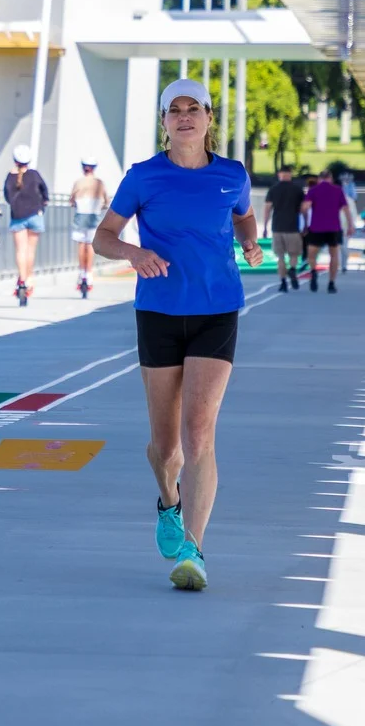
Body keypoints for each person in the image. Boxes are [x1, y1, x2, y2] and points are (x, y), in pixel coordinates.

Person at [92, 78, 261, 591]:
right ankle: (168, 500)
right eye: (175, 110)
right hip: (161, 313)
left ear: (209, 118)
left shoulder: (232, 175)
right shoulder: (143, 177)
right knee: (166, 449)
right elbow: (103, 237)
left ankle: (195, 549)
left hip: (217, 310)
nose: (185, 117)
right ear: (164, 122)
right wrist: (134, 254)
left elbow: (245, 219)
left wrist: (251, 245)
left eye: (194, 109)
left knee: (199, 434)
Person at [5, 144, 50, 304]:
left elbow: (7, 196)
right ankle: (29, 279)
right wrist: (42, 204)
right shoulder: (34, 174)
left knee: (20, 251)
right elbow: (45, 192)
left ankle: (22, 279)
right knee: (30, 251)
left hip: (18, 216)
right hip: (35, 214)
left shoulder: (10, 177)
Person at [301, 167, 353, 294]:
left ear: (319, 179)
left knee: (311, 254)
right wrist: (350, 225)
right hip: (333, 227)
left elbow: (305, 207)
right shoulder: (337, 190)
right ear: (331, 178)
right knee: (334, 255)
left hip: (316, 227)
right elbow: (346, 209)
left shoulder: (313, 190)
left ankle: (313, 272)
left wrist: (305, 221)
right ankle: (331, 283)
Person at [262, 163, 307, 291]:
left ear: (279, 175)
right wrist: (306, 224)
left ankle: (283, 282)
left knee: (280, 257)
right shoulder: (298, 190)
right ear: (290, 175)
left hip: (277, 227)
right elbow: (304, 209)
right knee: (294, 254)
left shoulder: (273, 190)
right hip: (293, 227)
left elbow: (267, 209)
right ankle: (292, 269)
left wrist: (265, 226)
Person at [69, 158, 110, 298]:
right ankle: (89, 272)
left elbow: (72, 199)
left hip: (81, 214)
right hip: (94, 214)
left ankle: (81, 271)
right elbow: (106, 201)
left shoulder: (78, 182)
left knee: (81, 244)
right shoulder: (99, 183)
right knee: (90, 244)